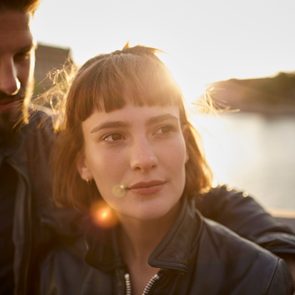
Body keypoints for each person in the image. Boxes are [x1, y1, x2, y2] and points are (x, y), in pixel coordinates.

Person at [1, 1, 295, 294]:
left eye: (163, 129)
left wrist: (275, 267)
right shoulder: (58, 273)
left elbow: (204, 197)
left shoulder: (41, 139)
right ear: (82, 163)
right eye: (114, 137)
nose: (10, 83)